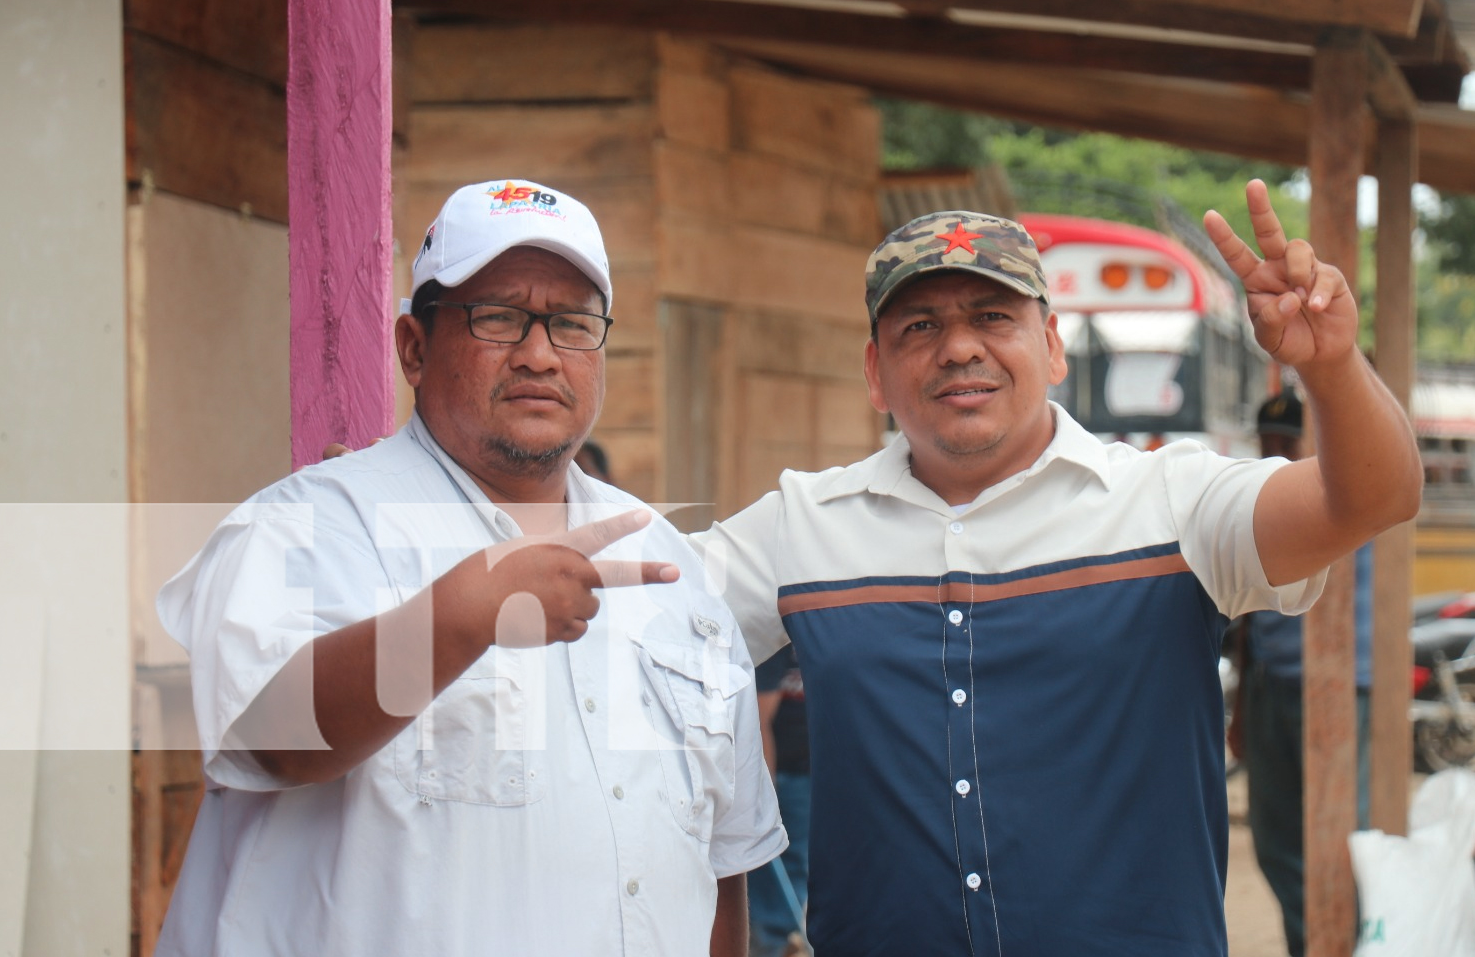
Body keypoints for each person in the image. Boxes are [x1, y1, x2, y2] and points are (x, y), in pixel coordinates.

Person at [691, 181, 1422, 956]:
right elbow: (629, 620)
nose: (960, 346)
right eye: (921, 325)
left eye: (993, 316)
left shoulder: (1169, 503)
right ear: (876, 370)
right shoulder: (804, 525)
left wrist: (1334, 364)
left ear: (1052, 348)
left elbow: (1375, 498)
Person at [155, 179, 785, 957]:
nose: (539, 353)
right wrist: (461, 616)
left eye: (573, 323)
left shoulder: (667, 564)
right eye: (498, 317)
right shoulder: (307, 529)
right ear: (415, 349)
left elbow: (721, 866)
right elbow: (272, 740)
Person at [1235, 388, 1375, 957]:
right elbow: (1246, 617)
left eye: (1286, 443)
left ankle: (1344, 940)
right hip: (1273, 683)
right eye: (1267, 442)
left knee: (1339, 838)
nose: (1275, 453)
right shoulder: (1260, 502)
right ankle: (1314, 943)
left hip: (1341, 683)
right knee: (1274, 840)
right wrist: (1243, 704)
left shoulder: (1347, 492)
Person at [748, 644, 812, 957]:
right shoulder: (777, 644)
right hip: (781, 772)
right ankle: (777, 943)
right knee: (778, 860)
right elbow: (760, 719)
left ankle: (786, 936)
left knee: (800, 859)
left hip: (810, 768)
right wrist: (765, 790)